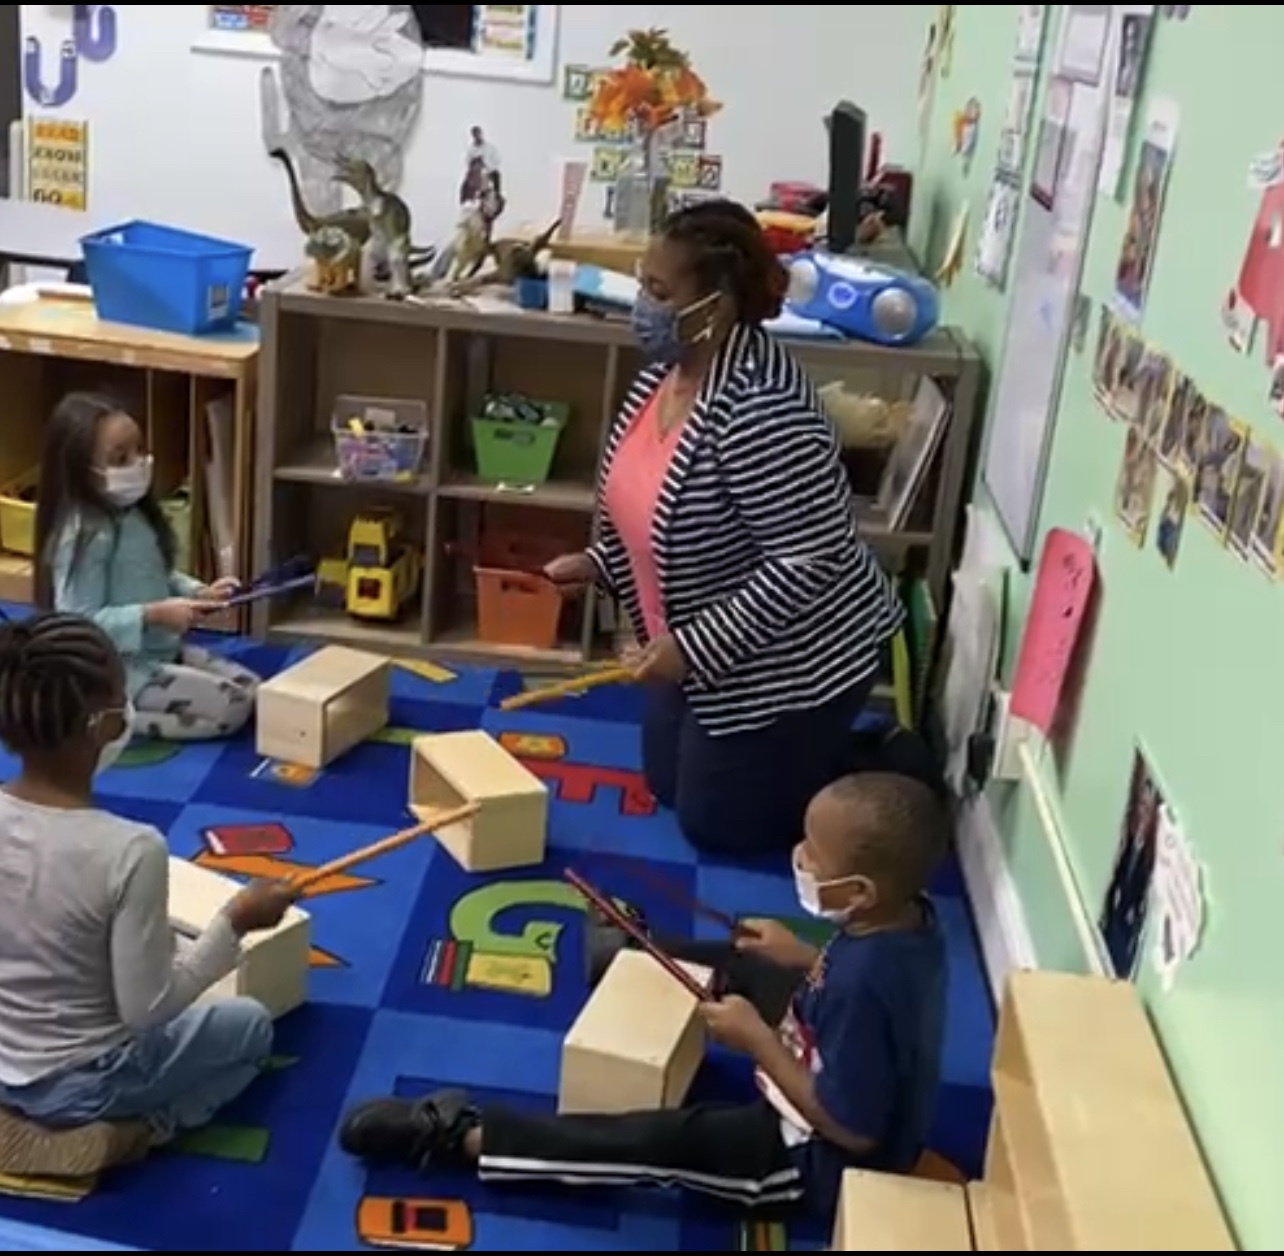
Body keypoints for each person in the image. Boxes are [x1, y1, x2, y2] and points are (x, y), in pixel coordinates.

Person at [337, 772, 949, 1221]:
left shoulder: (867, 986)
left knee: (657, 1140)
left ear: (861, 890)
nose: (802, 858)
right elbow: (854, 992)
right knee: (753, 961)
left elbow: (855, 1131)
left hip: (813, 1161)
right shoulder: (906, 922)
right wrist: (804, 958)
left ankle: (465, 1138)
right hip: (832, 1043)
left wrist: (758, 1042)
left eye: (814, 854)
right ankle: (637, 953)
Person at [543, 200, 903, 857]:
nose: (639, 304)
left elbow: (808, 562)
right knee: (668, 785)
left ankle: (876, 760)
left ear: (713, 307)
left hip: (792, 657)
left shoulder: (762, 410)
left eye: (656, 290)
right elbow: (645, 497)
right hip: (702, 641)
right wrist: (600, 560)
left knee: (719, 828)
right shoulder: (665, 373)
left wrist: (697, 647)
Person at [0, 612, 297, 1139]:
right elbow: (148, 1011)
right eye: (120, 696)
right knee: (248, 1027)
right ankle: (138, 1132)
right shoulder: (131, 849)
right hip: (79, 1082)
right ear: (99, 724)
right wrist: (235, 921)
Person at [33, 391, 260, 741]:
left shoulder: (134, 513)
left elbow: (155, 574)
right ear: (80, 469)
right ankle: (106, 717)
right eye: (120, 458)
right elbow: (79, 622)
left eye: (139, 450)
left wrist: (199, 591)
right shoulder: (83, 535)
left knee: (255, 690)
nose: (139, 463)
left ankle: (121, 706)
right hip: (117, 670)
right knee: (232, 709)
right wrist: (152, 615)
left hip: (159, 651)